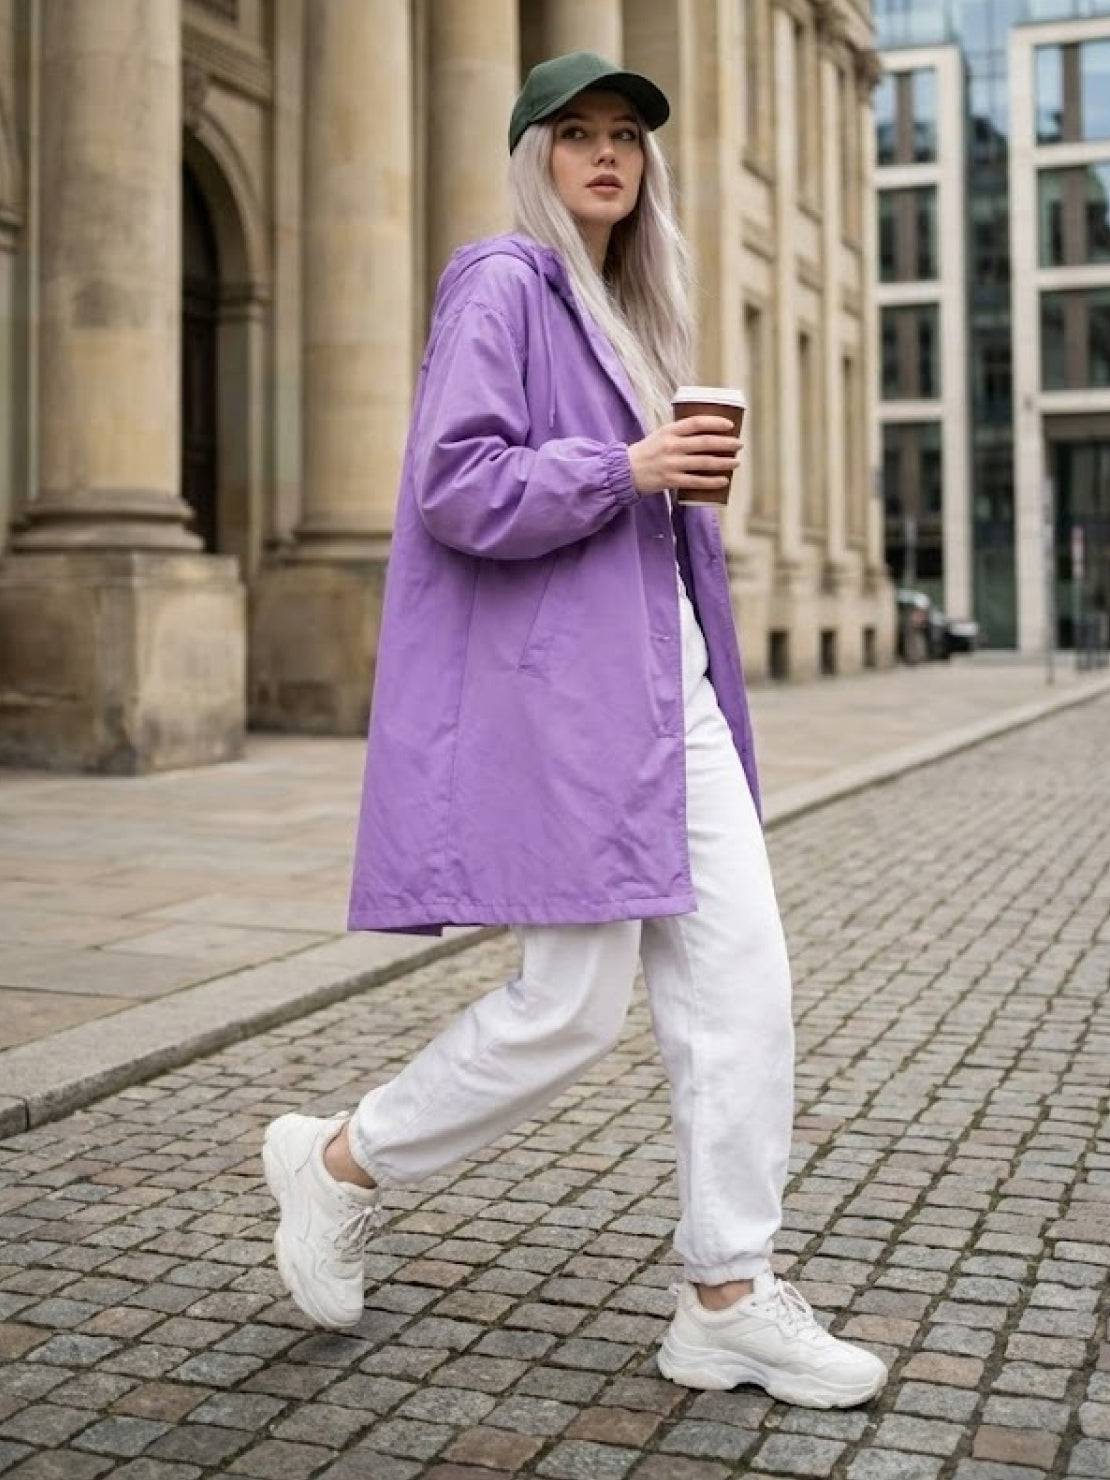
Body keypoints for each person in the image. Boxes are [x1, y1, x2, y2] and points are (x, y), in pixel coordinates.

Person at [262, 51, 888, 1409]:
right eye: (575, 133)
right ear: (531, 154)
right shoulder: (501, 279)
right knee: (566, 1006)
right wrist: (627, 464)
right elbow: (452, 484)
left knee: (742, 985)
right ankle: (336, 1163)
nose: (607, 154)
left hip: (675, 697)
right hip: (569, 706)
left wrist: (657, 470)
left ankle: (725, 1292)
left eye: (626, 136)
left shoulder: (627, 309)